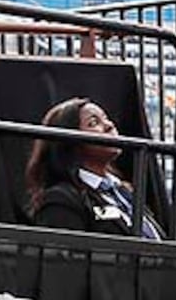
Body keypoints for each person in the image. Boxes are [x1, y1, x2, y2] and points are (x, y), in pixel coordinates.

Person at [26, 98, 164, 239]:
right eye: (94, 123)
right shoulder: (62, 200)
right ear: (71, 143)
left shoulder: (125, 192)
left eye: (106, 118)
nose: (109, 125)